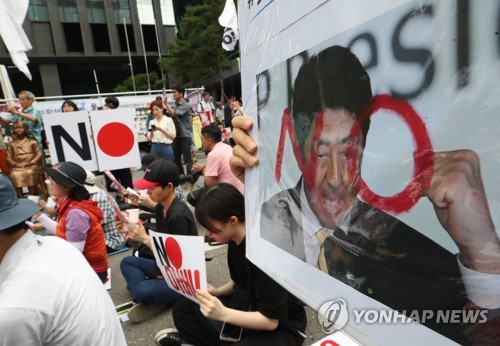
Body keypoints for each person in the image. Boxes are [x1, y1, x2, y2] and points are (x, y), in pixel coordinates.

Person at [230, 45, 500, 344]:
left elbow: (470, 331)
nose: (335, 179)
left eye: (348, 152)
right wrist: (253, 180)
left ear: (365, 142)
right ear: (295, 140)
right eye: (321, 154)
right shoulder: (266, 218)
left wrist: (484, 259)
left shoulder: (414, 253)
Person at [155, 183, 307, 346]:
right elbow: (238, 280)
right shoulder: (235, 240)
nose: (208, 233)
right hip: (248, 305)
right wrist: (217, 291)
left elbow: (271, 321)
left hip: (283, 327)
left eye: (211, 229)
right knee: (184, 309)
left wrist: (223, 314)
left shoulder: (265, 252)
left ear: (232, 220)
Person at [0, 175, 127, 345]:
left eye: (54, 181)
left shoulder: (13, 310)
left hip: (100, 263)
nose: (50, 184)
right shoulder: (57, 245)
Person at [119, 159, 198, 323]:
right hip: (163, 268)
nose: (147, 192)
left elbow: (178, 260)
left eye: (152, 187)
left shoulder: (178, 216)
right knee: (127, 262)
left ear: (169, 187)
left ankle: (159, 296)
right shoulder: (162, 206)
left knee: (141, 290)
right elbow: (152, 207)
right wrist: (131, 226)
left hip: (183, 278)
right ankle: (159, 296)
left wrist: (146, 239)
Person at [32, 161, 109, 283]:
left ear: (66, 186)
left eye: (54, 180)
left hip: (91, 272)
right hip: (89, 267)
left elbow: (75, 250)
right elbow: (63, 230)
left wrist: (46, 244)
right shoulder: (71, 204)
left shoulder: (75, 213)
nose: (49, 183)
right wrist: (39, 216)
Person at [188, 124, 244, 207]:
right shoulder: (227, 147)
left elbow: (210, 183)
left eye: (202, 139)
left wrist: (202, 169)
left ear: (209, 140)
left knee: (191, 197)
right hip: (240, 190)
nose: (202, 142)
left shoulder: (213, 154)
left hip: (228, 193)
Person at [84, 170, 125, 253]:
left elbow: (96, 225)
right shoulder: (93, 195)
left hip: (110, 241)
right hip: (101, 237)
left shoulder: (98, 198)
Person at [6, 121, 44, 197]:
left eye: (20, 127)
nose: (18, 130)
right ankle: (20, 197)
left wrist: (31, 162)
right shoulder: (11, 144)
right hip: (18, 166)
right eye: (16, 128)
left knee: (30, 172)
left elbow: (39, 154)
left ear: (25, 129)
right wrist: (15, 164)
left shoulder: (32, 142)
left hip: (31, 165)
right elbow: (8, 157)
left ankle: (32, 196)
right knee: (14, 174)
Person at [165, 85, 193, 176]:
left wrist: (166, 104)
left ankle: (190, 177)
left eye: (175, 92)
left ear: (181, 93)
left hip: (185, 135)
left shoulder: (186, 105)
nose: (173, 94)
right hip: (176, 135)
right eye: (172, 92)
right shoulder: (175, 105)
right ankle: (181, 176)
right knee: (176, 158)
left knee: (187, 159)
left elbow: (175, 114)